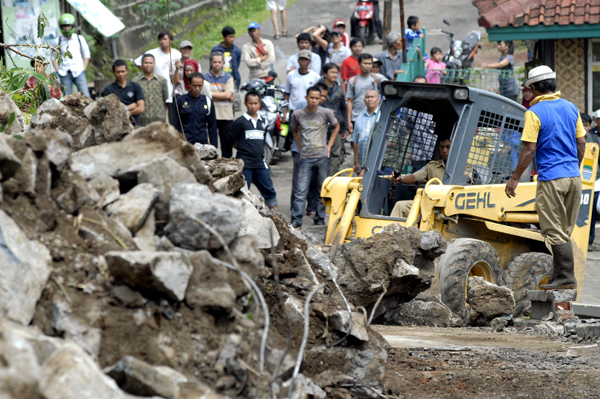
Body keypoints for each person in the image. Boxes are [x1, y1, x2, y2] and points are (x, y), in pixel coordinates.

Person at [505, 66, 586, 290]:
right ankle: (560, 277)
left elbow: (529, 150)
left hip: (551, 177)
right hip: (573, 177)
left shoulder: (534, 112)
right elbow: (581, 143)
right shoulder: (571, 107)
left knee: (553, 230)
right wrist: (573, 168)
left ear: (533, 89)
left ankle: (566, 279)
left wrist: (514, 178)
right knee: (564, 230)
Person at [290, 86, 340, 228]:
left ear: (321, 99)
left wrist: (329, 146)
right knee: (300, 189)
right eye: (311, 98)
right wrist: (300, 148)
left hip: (322, 157)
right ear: (306, 98)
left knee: (322, 188)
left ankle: (319, 218)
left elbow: (336, 126)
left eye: (317, 98)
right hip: (305, 157)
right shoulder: (298, 114)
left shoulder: (325, 113)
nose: (314, 101)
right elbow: (294, 130)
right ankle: (296, 219)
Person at [230, 91, 278, 209]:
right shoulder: (239, 122)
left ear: (259, 104)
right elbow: (232, 141)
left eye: (256, 103)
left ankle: (277, 221)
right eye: (250, 103)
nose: (253, 106)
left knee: (270, 192)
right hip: (245, 165)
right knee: (244, 193)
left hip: (260, 165)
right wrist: (244, 149)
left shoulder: (263, 122)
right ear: (245, 103)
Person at [390, 138, 452, 217]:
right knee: (400, 206)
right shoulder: (432, 166)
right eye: (442, 147)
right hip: (429, 205)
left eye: (448, 147)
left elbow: (468, 181)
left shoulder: (464, 168)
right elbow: (415, 177)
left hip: (452, 208)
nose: (444, 150)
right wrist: (401, 179)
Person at [134, 32, 181, 122]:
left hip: (173, 90)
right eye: (160, 39)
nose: (162, 41)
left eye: (165, 39)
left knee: (173, 120)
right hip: (157, 89)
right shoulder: (152, 53)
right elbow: (136, 62)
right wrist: (148, 70)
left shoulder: (177, 54)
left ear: (170, 40)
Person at [172, 72, 218, 146]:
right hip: (185, 143)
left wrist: (214, 146)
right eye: (194, 85)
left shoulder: (208, 101)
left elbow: (212, 126)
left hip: (202, 143)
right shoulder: (180, 101)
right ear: (189, 84)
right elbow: (175, 124)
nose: (197, 88)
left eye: (200, 86)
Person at [346, 53, 387, 134]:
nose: (368, 66)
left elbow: (390, 85)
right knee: (357, 143)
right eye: (365, 63)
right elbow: (349, 101)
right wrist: (349, 121)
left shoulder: (377, 78)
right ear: (359, 65)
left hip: (374, 117)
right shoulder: (353, 80)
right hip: (356, 117)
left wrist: (395, 76)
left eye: (369, 63)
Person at [318, 64, 348, 175]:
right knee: (320, 152)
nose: (334, 75)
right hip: (320, 126)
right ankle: (320, 178)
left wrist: (344, 128)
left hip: (337, 125)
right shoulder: (317, 88)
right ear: (325, 74)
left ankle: (330, 178)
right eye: (332, 72)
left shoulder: (339, 89)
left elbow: (343, 109)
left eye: (336, 72)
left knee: (336, 153)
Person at [205, 51, 235, 158]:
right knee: (210, 145)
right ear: (210, 63)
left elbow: (228, 95)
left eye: (219, 62)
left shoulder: (228, 77)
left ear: (223, 63)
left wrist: (210, 94)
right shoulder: (205, 78)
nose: (217, 64)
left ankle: (227, 167)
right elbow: (204, 96)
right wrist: (222, 95)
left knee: (226, 144)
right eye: (214, 62)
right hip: (210, 116)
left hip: (226, 116)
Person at [52, 13, 91, 97]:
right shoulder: (57, 41)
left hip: (79, 71)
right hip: (64, 72)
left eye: (68, 26)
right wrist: (58, 71)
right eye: (64, 26)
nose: (66, 28)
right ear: (61, 27)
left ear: (72, 26)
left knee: (85, 95)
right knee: (67, 97)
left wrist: (84, 68)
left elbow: (86, 54)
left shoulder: (79, 39)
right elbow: (53, 57)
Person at [103, 60, 145, 126]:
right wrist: (131, 106)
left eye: (123, 71)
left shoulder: (135, 86)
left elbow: (141, 108)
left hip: (134, 124)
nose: (120, 74)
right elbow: (111, 112)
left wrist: (122, 112)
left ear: (127, 71)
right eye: (118, 72)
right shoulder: (108, 90)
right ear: (113, 72)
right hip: (116, 126)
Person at [132, 53, 169, 126]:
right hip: (141, 120)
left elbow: (164, 98)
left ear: (154, 64)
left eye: (150, 63)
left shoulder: (162, 80)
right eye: (146, 63)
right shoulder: (135, 81)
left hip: (159, 120)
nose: (148, 65)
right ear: (142, 64)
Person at [352, 90, 380, 176]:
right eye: (367, 97)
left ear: (378, 100)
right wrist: (357, 162)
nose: (370, 99)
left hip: (376, 162)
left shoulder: (382, 116)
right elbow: (355, 141)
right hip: (361, 161)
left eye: (372, 97)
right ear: (364, 100)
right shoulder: (360, 117)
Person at [582, 113, 600, 247]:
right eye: (581, 125)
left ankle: (588, 240)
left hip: (593, 180)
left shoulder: (594, 139)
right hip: (576, 180)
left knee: (591, 211)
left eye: (586, 125)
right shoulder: (572, 139)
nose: (584, 128)